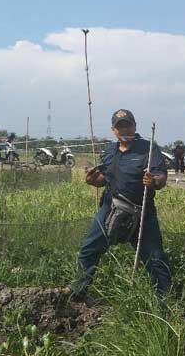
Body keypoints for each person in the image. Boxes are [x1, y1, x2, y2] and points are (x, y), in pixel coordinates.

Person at [69, 109, 172, 299]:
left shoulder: (148, 149)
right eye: (119, 127)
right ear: (113, 130)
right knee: (88, 249)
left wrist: (154, 181)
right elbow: (103, 179)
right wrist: (92, 180)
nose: (124, 130)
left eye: (127, 125)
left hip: (141, 212)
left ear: (134, 126)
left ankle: (164, 301)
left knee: (155, 258)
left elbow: (161, 177)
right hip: (111, 208)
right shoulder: (110, 151)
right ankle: (78, 292)